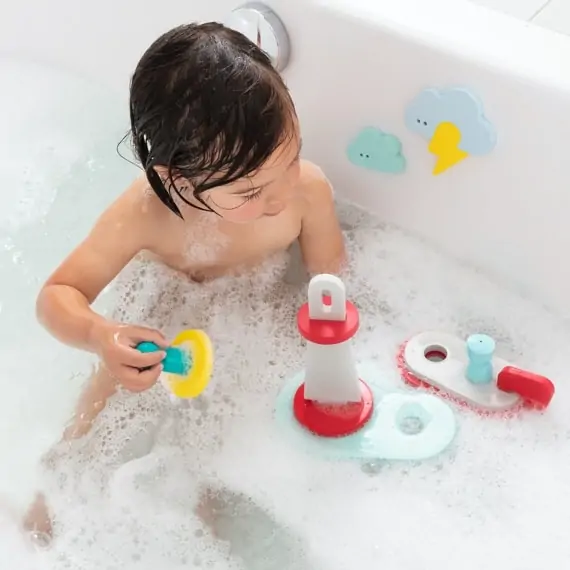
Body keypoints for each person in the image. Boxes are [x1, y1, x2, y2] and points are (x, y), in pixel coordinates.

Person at [24, 21, 345, 539]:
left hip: (252, 310)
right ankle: (56, 487)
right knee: (100, 404)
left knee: (229, 421)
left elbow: (329, 279)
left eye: (292, 158)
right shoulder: (145, 213)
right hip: (158, 307)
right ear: (178, 179)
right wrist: (102, 336)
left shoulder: (307, 190)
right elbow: (57, 296)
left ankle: (203, 500)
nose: (281, 193)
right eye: (250, 192)